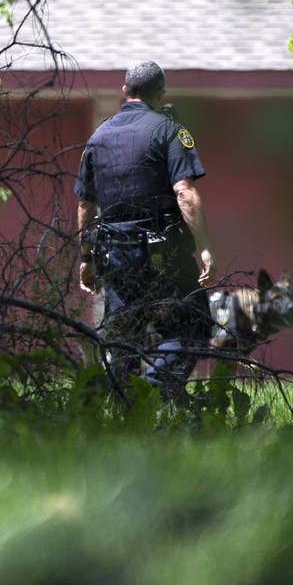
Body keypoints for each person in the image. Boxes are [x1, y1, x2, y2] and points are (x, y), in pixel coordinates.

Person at [74, 60, 217, 399]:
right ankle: (153, 392)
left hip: (113, 254)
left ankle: (124, 409)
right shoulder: (169, 130)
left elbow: (84, 204)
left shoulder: (98, 136)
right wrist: (205, 247)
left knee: (124, 338)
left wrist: (86, 259)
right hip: (162, 253)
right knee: (192, 322)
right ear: (160, 93)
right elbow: (184, 191)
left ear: (125, 92)